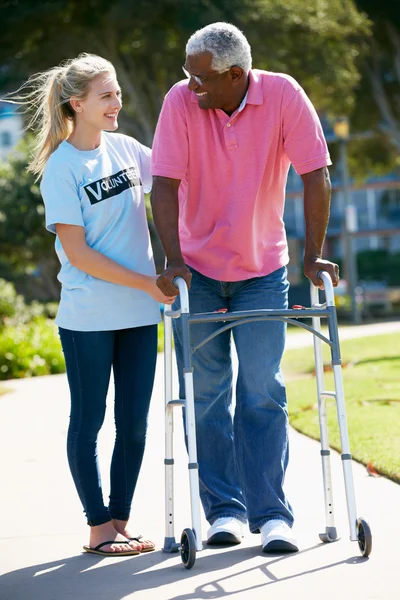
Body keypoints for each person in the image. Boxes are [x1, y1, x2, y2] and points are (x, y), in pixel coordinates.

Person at [151, 22, 339, 554]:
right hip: (200, 274)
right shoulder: (180, 102)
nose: (191, 86)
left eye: (201, 78)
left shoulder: (282, 94)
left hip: (262, 271)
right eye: (188, 76)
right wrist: (173, 258)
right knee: (206, 396)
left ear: (237, 74)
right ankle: (224, 513)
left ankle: (272, 515)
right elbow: (163, 184)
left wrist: (311, 253)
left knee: (262, 390)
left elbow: (315, 172)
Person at [11, 53, 176, 556]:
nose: (117, 102)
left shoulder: (127, 149)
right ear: (76, 104)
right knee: (89, 422)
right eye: (106, 95)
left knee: (135, 423)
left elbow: (173, 184)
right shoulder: (61, 169)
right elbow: (78, 253)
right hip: (88, 318)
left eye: (118, 92)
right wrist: (148, 282)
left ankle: (120, 521)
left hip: (140, 314)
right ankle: (97, 527)